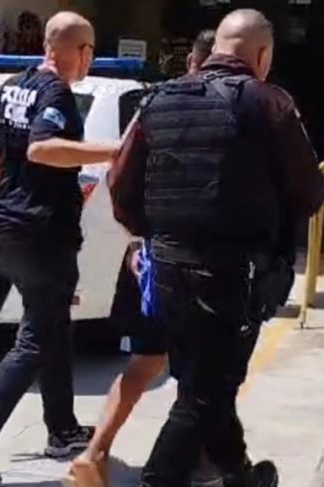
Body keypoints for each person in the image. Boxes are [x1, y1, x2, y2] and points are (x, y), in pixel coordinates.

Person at [111, 9, 324, 487]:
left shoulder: (158, 99)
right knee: (203, 396)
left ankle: (239, 473)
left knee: (206, 381)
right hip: (231, 274)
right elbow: (310, 191)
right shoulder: (269, 103)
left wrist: (160, 233)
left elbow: (121, 186)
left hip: (167, 269)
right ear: (262, 55)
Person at [0, 12, 120, 487]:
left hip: (12, 228)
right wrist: (114, 151)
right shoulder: (56, 93)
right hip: (43, 233)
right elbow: (42, 149)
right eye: (90, 51)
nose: (90, 59)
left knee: (53, 324)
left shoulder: (11, 88)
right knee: (37, 338)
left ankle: (62, 429)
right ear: (79, 51)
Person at [65, 30, 217, 487]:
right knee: (204, 370)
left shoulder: (155, 105)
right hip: (203, 262)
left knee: (144, 363)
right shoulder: (239, 112)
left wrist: (136, 241)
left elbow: (121, 177)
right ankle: (197, 463)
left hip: (153, 259)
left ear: (190, 61)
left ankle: (94, 453)